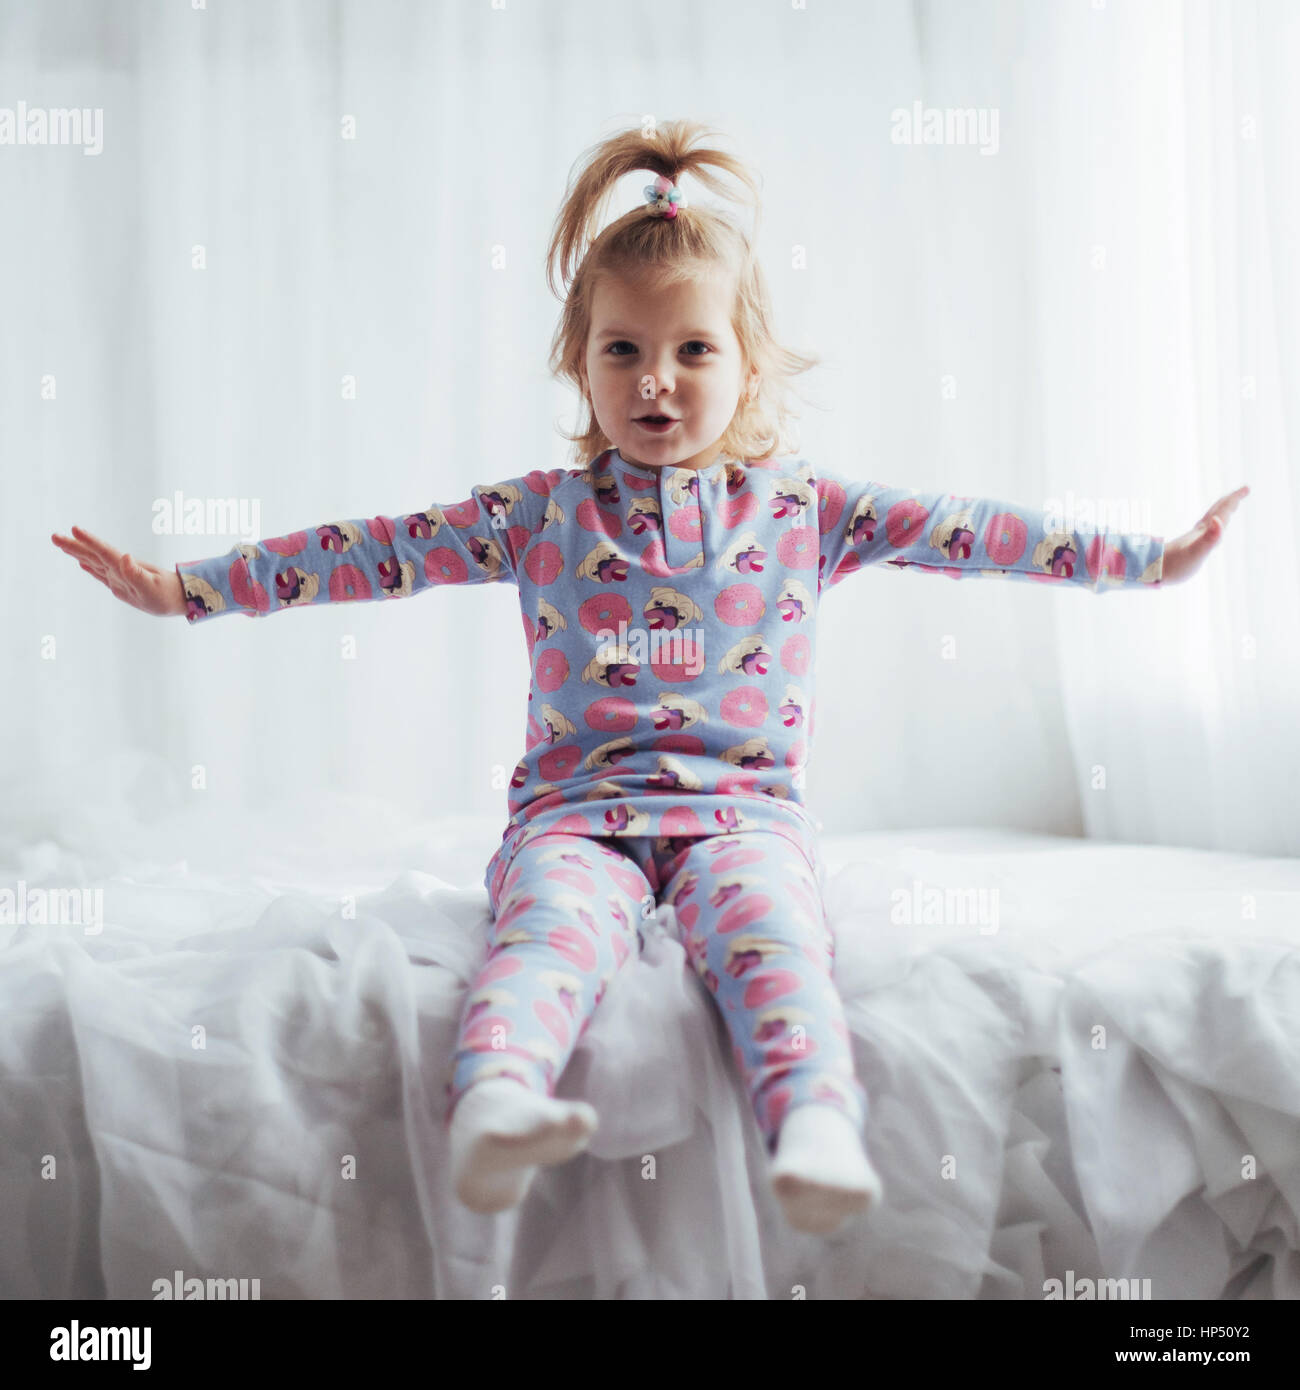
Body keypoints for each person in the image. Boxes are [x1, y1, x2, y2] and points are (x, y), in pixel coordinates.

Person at [51, 118, 1249, 1239]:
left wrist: (1146, 563)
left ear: (747, 360)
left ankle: (815, 1126)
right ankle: (496, 1103)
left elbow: (976, 531)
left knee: (779, 941)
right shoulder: (542, 515)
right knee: (542, 939)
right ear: (581, 362)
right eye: (621, 350)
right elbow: (368, 551)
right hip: (574, 817)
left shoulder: (802, 510)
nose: (655, 380)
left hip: (744, 815)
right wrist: (188, 588)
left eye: (690, 349)